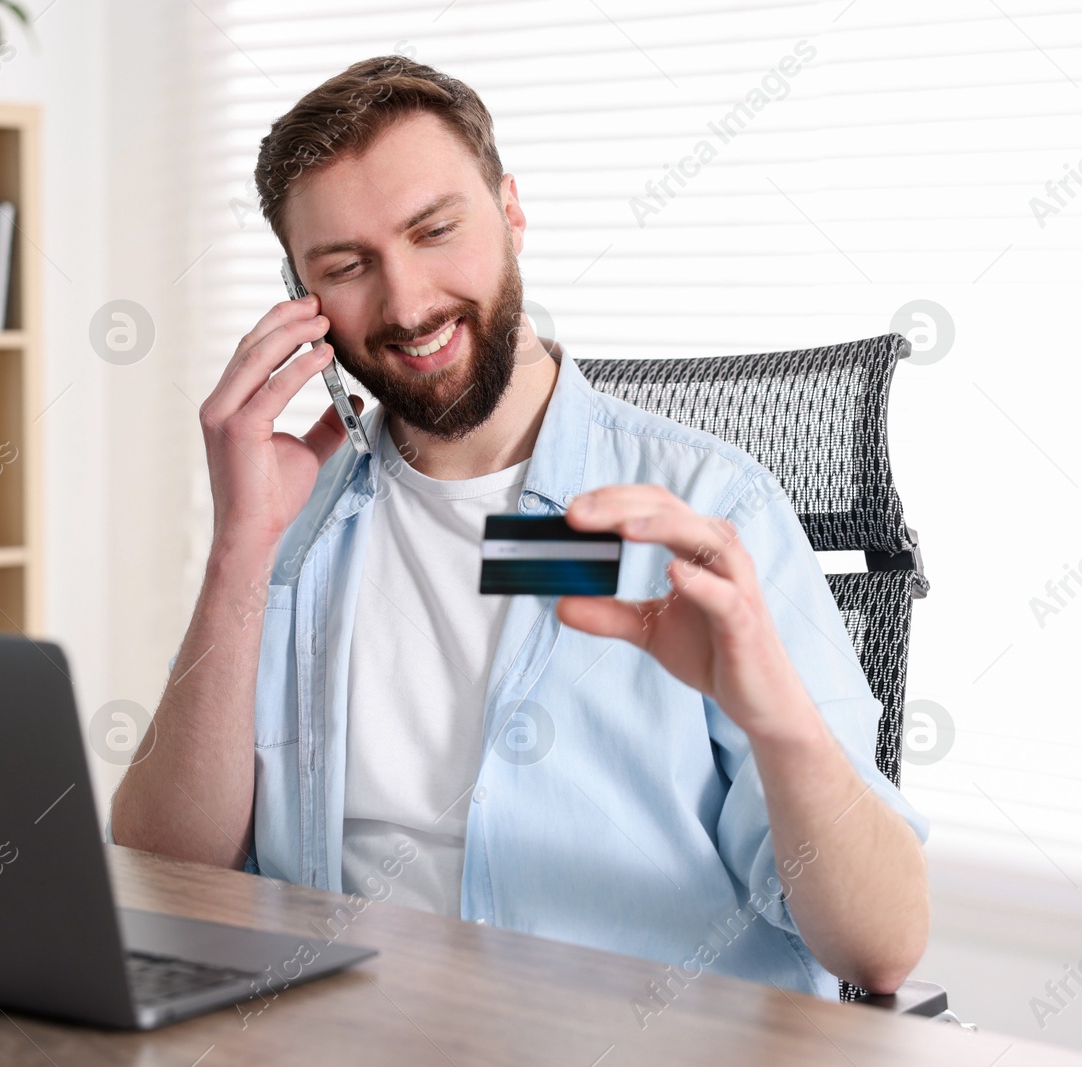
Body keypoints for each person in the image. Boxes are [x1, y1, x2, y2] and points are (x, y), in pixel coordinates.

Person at [109, 55, 928, 1000]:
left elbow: (882, 948)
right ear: (303, 302)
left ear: (511, 212)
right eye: (347, 267)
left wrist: (773, 710)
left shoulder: (706, 508)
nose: (409, 303)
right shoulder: (301, 519)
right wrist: (240, 549)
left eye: (436, 231)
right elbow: (167, 873)